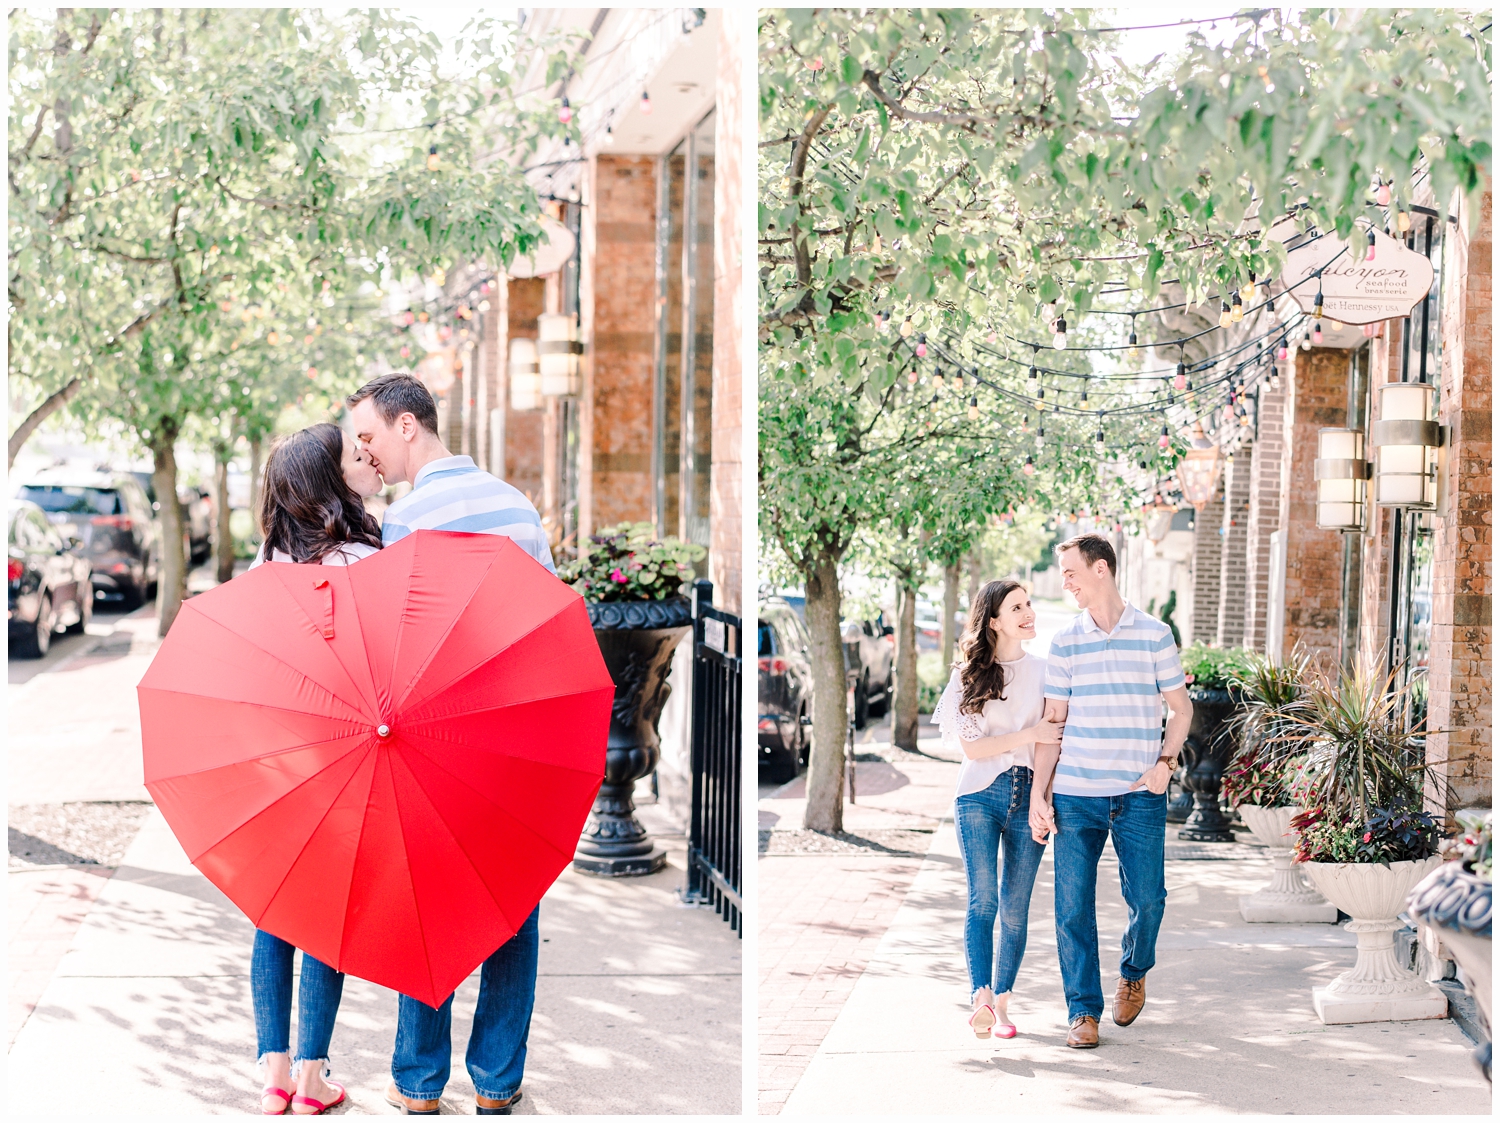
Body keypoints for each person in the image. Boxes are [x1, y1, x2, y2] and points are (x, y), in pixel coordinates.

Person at [346, 372, 552, 1117]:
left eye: (370, 435)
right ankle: (496, 1080)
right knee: (513, 906)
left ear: (409, 426)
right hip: (511, 738)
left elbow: (387, 644)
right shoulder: (517, 507)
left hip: (431, 742)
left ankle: (420, 1079)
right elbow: (547, 628)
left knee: (425, 904)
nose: (366, 452)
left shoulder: (402, 523)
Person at [248, 421, 384, 1114]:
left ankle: (273, 1073)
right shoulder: (362, 561)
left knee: (273, 914)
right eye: (351, 455)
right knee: (324, 918)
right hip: (345, 763)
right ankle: (310, 1077)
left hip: (277, 760)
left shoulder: (266, 565)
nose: (364, 457)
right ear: (327, 480)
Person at [1028, 534, 1192, 1051]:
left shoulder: (1154, 634)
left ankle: (1134, 969)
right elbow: (1053, 723)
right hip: (1076, 795)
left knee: (1149, 899)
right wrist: (1041, 792)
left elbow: (1181, 709)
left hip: (1139, 794)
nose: (1065, 583)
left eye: (1072, 572)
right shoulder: (1065, 643)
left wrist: (1166, 763)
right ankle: (1082, 1010)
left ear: (1102, 569)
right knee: (1072, 907)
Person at [935, 579, 1063, 1040]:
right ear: (994, 621)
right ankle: (981, 997)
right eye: (1017, 607)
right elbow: (973, 748)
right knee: (983, 899)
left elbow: (1056, 742)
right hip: (978, 797)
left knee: (1015, 907)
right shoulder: (968, 675)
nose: (1029, 613)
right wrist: (1030, 735)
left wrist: (1041, 796)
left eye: (1030, 604)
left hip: (1030, 793)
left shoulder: (1049, 671)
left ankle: (1004, 1002)